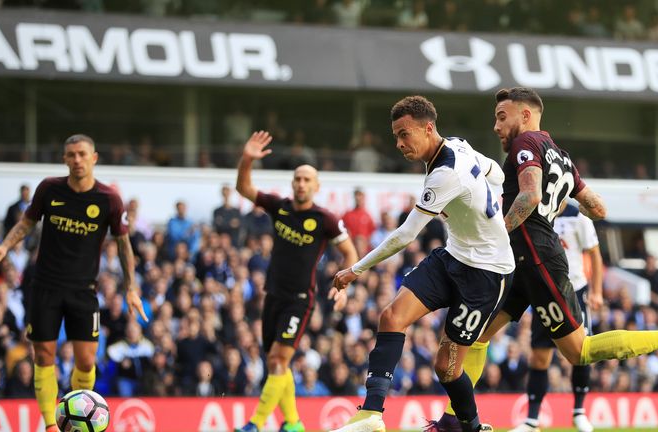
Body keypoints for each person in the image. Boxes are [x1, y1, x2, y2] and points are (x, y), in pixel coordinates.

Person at [427, 87, 658, 432]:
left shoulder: (524, 143)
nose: (496, 127)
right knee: (479, 336)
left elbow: (529, 195)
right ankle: (454, 420)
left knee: (580, 352)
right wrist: (558, 202)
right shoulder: (561, 156)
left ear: (526, 115)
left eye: (502, 117)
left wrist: (500, 230)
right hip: (523, 260)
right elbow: (599, 208)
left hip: (537, 258)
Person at [332, 95, 513, 432]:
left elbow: (405, 236)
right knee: (391, 316)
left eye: (405, 134)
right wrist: (483, 201)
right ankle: (371, 414)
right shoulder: (458, 145)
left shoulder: (443, 173)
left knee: (446, 367)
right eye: (396, 136)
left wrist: (356, 269)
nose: (400, 144)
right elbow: (498, 174)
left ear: (428, 128)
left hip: (486, 274)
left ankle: (472, 428)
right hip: (454, 256)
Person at [0, 134, 147, 432]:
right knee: (43, 355)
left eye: (82, 154)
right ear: (64, 159)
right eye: (71, 155)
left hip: (83, 290)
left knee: (86, 362)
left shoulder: (108, 199)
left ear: (94, 157)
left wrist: (132, 288)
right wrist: (6, 246)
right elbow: (26, 222)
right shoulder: (49, 189)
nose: (77, 160)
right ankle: (50, 425)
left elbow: (123, 246)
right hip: (45, 286)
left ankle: (75, 423)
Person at [234, 131, 358, 432]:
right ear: (293, 184)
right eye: (297, 179)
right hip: (272, 295)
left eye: (307, 180)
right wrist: (247, 158)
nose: (301, 183)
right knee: (277, 364)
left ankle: (255, 424)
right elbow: (244, 188)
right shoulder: (280, 207)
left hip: (299, 300)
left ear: (316, 186)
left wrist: (344, 288)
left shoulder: (325, 219)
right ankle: (293, 423)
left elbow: (350, 253)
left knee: (278, 359)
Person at [508, 200, 604, 432]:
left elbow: (594, 254)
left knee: (582, 352)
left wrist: (597, 291)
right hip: (544, 291)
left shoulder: (577, 217)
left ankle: (579, 412)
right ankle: (532, 420)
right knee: (539, 356)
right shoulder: (535, 213)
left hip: (574, 292)